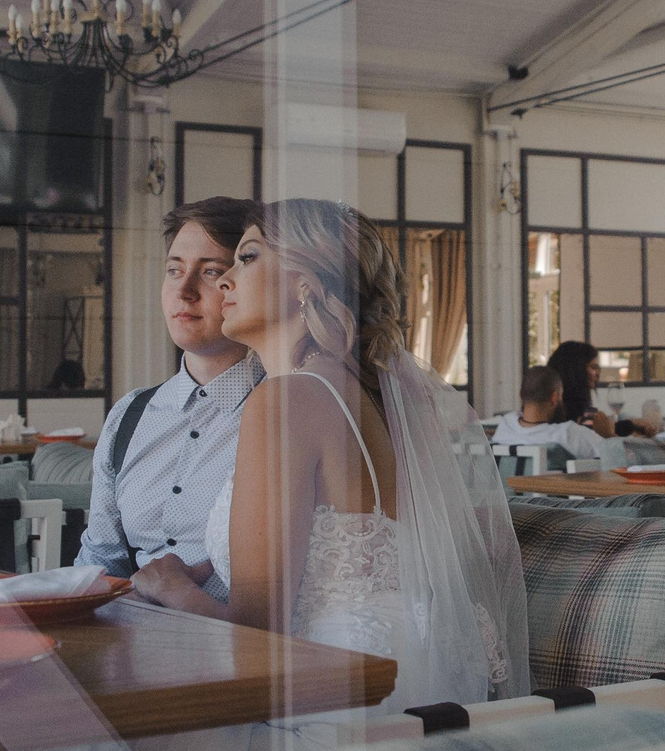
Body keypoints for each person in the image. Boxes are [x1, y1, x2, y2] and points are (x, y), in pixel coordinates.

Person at [128, 198, 530, 709]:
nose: (224, 279)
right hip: (408, 681)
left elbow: (256, 635)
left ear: (306, 284)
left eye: (247, 258)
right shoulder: (369, 398)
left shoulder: (284, 401)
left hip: (334, 698)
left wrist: (170, 587)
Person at [75, 199, 264, 595]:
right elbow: (101, 558)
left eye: (210, 272)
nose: (184, 290)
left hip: (239, 645)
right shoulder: (130, 414)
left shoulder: (280, 410)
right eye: (174, 270)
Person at [491, 367, 608, 464]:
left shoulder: (505, 425)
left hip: (507, 491)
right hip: (559, 491)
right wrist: (609, 435)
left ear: (520, 395)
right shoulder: (568, 433)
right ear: (554, 398)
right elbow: (618, 456)